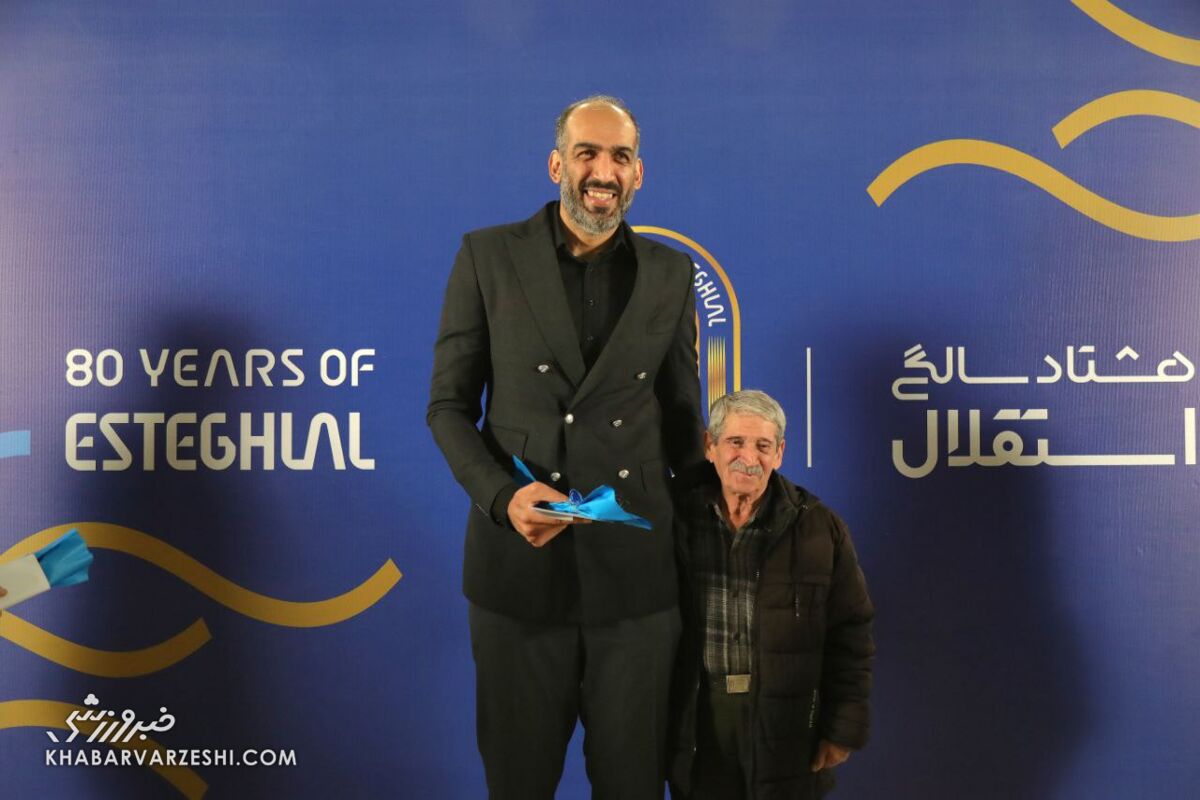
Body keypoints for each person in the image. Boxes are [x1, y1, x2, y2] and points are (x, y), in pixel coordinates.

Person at [427, 94, 706, 799]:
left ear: (638, 174)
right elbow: (448, 408)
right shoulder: (487, 256)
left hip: (637, 588)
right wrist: (501, 497)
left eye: (620, 157)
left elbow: (682, 422)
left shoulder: (671, 274)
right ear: (557, 165)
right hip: (518, 580)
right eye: (587, 153)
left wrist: (724, 517)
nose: (603, 172)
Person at [668, 391, 874, 800]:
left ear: (779, 454)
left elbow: (850, 633)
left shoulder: (819, 527)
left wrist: (843, 728)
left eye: (763, 446)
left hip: (789, 727)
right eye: (735, 442)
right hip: (696, 722)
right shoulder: (673, 519)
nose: (749, 458)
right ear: (710, 446)